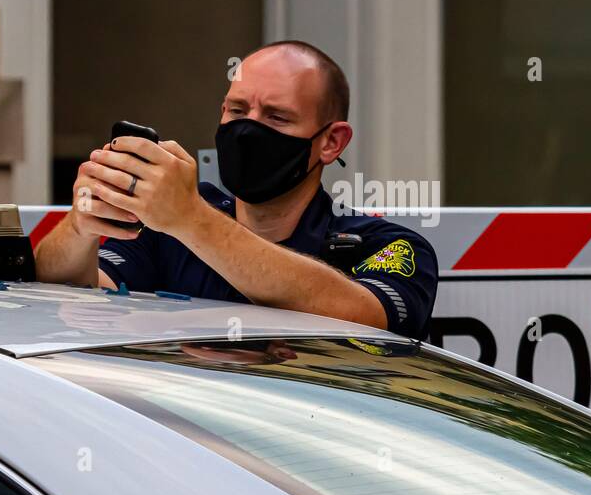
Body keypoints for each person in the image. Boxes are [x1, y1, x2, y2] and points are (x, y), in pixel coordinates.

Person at [34, 40, 438, 340]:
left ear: (331, 142)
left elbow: (362, 318)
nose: (248, 131)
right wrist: (80, 226)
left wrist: (190, 218)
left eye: (277, 118)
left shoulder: (385, 245)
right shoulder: (168, 232)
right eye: (238, 111)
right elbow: (64, 296)